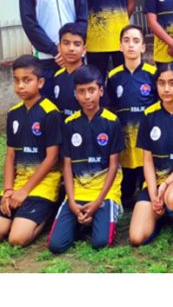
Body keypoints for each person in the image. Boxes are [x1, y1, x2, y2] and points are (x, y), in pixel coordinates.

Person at [48, 65, 124, 253]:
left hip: (104, 192)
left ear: (100, 91)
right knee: (56, 245)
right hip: (78, 191)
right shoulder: (69, 124)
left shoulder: (112, 121)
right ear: (75, 94)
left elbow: (114, 166)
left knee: (100, 243)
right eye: (81, 92)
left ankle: (105, 213)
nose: (87, 97)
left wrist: (98, 202)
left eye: (91, 90)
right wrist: (72, 203)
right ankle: (80, 220)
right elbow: (66, 165)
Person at [0, 55, 62, 246]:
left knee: (17, 238)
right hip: (18, 183)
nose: (21, 86)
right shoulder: (13, 113)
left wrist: (24, 191)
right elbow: (10, 155)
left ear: (40, 83)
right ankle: (19, 214)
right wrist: (8, 191)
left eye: (27, 80)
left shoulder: (51, 113)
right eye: (16, 80)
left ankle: (48, 212)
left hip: (43, 184)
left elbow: (52, 158)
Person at [129, 63, 173, 245]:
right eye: (161, 83)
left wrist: (167, 184)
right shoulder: (148, 115)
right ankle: (159, 214)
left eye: (171, 83)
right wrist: (154, 194)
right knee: (136, 237)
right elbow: (147, 160)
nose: (166, 89)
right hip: (156, 180)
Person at [105, 25, 157, 208]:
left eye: (136, 41)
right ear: (120, 46)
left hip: (147, 139)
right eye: (126, 41)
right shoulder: (113, 76)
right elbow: (109, 109)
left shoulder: (153, 74)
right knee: (126, 189)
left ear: (143, 47)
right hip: (125, 138)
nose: (131, 45)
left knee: (146, 179)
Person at [51, 23, 87, 118]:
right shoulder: (56, 77)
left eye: (77, 44)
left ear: (84, 49)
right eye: (66, 43)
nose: (71, 48)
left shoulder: (90, 76)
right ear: (59, 47)